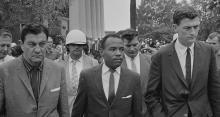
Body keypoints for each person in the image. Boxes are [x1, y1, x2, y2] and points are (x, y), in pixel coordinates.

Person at [145, 6, 220, 117]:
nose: (193, 32)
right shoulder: (161, 56)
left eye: (196, 27)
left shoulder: (208, 51)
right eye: (187, 28)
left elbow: (215, 90)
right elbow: (151, 95)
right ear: (175, 27)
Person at [0, 23, 69, 117]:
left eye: (42, 44)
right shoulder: (4, 71)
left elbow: (64, 111)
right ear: (22, 45)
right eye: (32, 44)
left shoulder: (58, 70)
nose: (37, 50)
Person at [71, 34, 142, 117]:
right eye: (113, 49)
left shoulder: (133, 78)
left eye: (121, 49)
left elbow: (137, 112)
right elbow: (78, 110)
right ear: (101, 51)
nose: (119, 53)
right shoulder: (87, 76)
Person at [58, 29, 98, 115]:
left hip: (87, 110)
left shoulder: (93, 63)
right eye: (73, 44)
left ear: (83, 46)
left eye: (79, 44)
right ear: (68, 46)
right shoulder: (59, 64)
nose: (76, 47)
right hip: (65, 110)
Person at [119, 29, 151, 117]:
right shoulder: (115, 62)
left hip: (147, 111)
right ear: (122, 45)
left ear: (140, 43)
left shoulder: (150, 61)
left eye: (135, 45)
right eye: (128, 46)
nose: (132, 49)